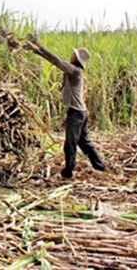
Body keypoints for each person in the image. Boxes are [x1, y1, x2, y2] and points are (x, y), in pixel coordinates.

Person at [24, 34, 106, 178]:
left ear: (76, 59)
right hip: (81, 111)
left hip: (76, 113)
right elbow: (55, 61)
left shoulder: (74, 70)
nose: (71, 56)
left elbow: (56, 60)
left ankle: (68, 171)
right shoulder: (75, 70)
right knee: (84, 142)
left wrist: (38, 44)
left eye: (73, 55)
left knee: (70, 144)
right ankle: (100, 166)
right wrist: (35, 50)